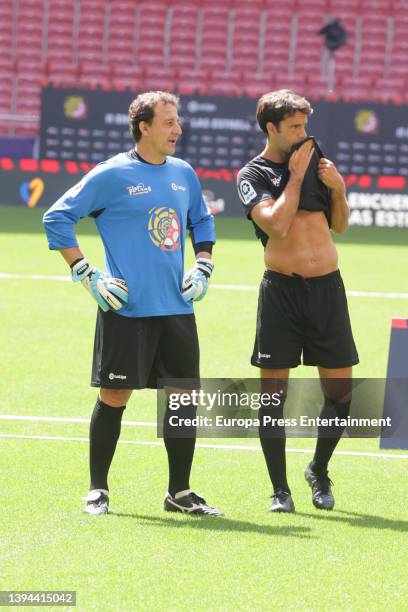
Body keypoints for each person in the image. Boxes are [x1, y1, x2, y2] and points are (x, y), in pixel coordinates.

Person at [43, 91, 223, 517]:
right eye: (168, 122)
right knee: (115, 395)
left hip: (178, 308)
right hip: (126, 308)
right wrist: (88, 274)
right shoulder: (112, 175)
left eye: (178, 121)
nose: (178, 129)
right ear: (144, 126)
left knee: (182, 399)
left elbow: (202, 219)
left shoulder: (183, 173)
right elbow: (57, 217)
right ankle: (97, 490)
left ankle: (179, 492)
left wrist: (203, 265)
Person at [236, 90, 359, 513]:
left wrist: (338, 189)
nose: (304, 134)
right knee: (273, 397)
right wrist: (294, 176)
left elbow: (339, 226)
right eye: (294, 127)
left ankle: (318, 470)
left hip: (328, 290)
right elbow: (277, 226)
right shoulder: (251, 173)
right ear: (272, 128)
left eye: (305, 125)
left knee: (341, 393)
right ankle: (280, 490)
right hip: (282, 294)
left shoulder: (314, 156)